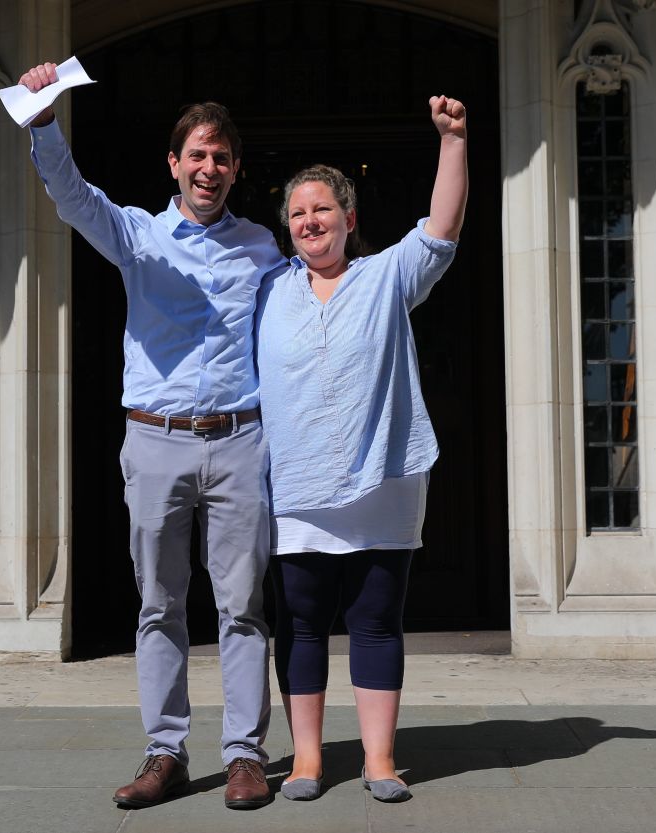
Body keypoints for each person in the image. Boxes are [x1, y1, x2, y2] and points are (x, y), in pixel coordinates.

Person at [19, 62, 284, 811]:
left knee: (241, 606)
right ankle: (164, 751)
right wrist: (44, 118)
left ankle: (244, 756)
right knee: (159, 604)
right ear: (174, 164)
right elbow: (71, 196)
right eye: (197, 154)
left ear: (235, 169)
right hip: (157, 441)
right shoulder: (136, 235)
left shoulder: (263, 246)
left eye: (222, 156)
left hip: (239, 441)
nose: (209, 167)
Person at [254, 95, 468, 803]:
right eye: (297, 214)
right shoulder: (266, 292)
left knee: (376, 621)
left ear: (350, 218)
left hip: (382, 480)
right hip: (297, 488)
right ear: (287, 230)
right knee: (303, 622)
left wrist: (452, 141)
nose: (310, 221)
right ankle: (309, 759)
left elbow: (441, 229)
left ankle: (380, 759)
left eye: (323, 209)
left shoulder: (385, 278)